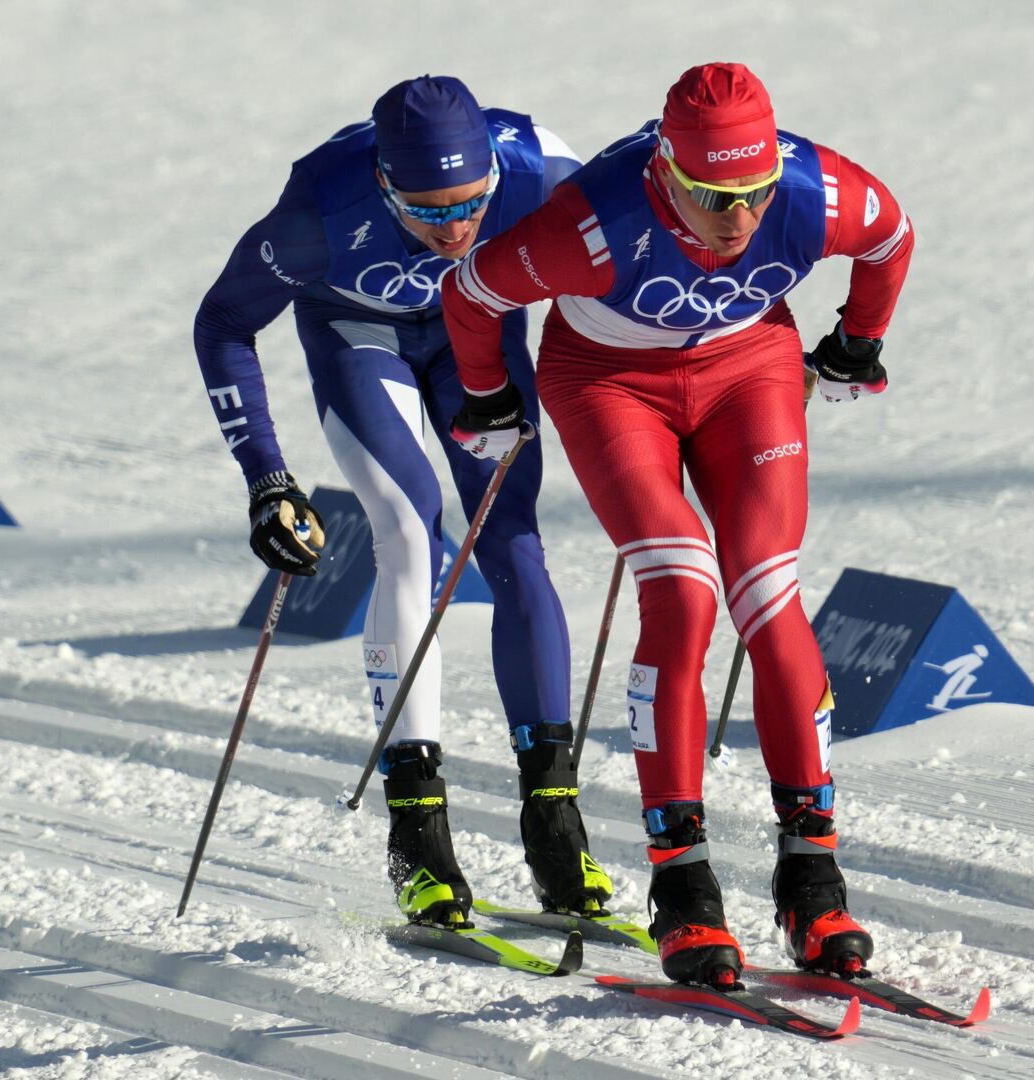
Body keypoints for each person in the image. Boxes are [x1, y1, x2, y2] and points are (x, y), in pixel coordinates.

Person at [441, 62, 914, 985]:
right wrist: (491, 398)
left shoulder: (816, 192)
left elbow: (892, 237)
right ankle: (682, 881)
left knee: (770, 595)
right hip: (611, 385)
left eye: (753, 193)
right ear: (665, 171)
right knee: (685, 587)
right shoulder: (595, 224)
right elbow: (473, 292)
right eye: (711, 196)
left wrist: (857, 343)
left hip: (749, 371)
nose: (738, 220)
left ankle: (812, 874)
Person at [192, 75, 613, 928]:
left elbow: (643, 261)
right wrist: (266, 479)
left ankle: (554, 815)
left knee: (513, 540)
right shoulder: (318, 210)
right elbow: (223, 324)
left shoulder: (543, 168)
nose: (454, 228)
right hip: (359, 335)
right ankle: (418, 830)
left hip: (478, 340)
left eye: (470, 204)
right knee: (407, 528)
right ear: (383, 183)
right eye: (424, 210)